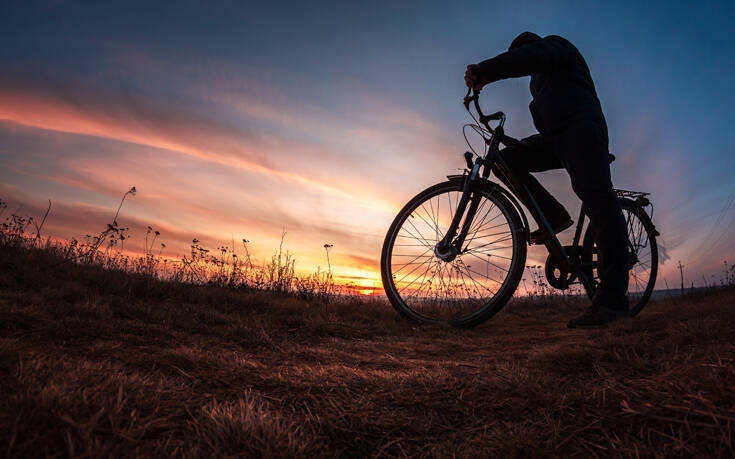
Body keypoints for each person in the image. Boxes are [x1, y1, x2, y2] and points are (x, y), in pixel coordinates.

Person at [464, 32, 629, 327]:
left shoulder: (555, 47)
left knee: (598, 200)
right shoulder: (539, 82)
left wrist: (487, 71)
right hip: (556, 137)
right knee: (506, 159)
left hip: (581, 129)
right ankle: (553, 217)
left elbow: (529, 58)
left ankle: (613, 302)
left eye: (521, 55)